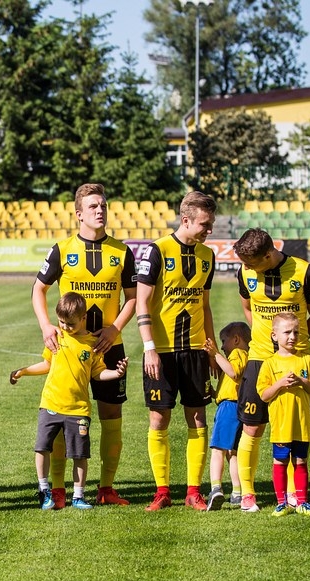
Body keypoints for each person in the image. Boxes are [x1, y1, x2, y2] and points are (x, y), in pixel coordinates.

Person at [32, 183, 137, 507]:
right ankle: (59, 490)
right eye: (93, 206)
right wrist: (46, 325)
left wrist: (114, 329)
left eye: (103, 205)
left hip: (109, 346)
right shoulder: (62, 249)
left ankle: (106, 488)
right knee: (63, 417)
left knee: (111, 416)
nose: (100, 210)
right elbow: (38, 289)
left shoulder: (122, 251)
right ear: (79, 213)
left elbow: (133, 299)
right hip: (68, 349)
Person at [233, 228, 310, 513]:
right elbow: (248, 308)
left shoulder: (306, 272)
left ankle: (294, 495)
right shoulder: (244, 272)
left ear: (268, 255)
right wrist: (266, 339)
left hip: (296, 362)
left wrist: (295, 347)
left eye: (252, 263)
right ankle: (247, 493)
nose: (247, 268)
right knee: (252, 427)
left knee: (295, 431)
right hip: (259, 359)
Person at [135, 190, 217, 511]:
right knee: (159, 418)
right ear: (186, 220)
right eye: (205, 224)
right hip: (162, 351)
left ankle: (193, 491)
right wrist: (149, 348)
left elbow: (205, 306)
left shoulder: (207, 256)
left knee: (198, 418)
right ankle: (162, 491)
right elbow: (142, 302)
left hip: (195, 349)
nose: (209, 230)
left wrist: (211, 348)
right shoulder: (157, 250)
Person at [10, 292, 128, 510]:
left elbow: (98, 374)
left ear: (83, 318)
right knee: (42, 448)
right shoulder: (57, 337)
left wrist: (116, 373)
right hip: (51, 404)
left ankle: (78, 496)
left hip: (78, 410)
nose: (65, 327)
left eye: (70, 324)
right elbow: (47, 364)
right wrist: (23, 371)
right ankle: (44, 490)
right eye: (61, 322)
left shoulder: (92, 344)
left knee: (80, 455)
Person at [257, 312, 310, 517]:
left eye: (296, 332)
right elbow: (264, 395)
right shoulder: (270, 364)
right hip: (281, 424)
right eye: (287, 332)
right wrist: (279, 384)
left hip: (302, 422)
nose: (292, 337)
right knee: (280, 461)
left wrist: (302, 382)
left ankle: (302, 502)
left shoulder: (307, 360)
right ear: (274, 335)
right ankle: (282, 503)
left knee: (301, 461)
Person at [203, 322, 251, 510]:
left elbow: (234, 373)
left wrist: (215, 354)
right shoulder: (243, 356)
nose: (222, 346)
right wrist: (215, 393)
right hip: (238, 407)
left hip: (229, 407)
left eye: (224, 341)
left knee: (218, 450)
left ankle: (216, 488)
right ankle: (237, 492)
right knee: (233, 453)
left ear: (236, 339)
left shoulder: (237, 354)